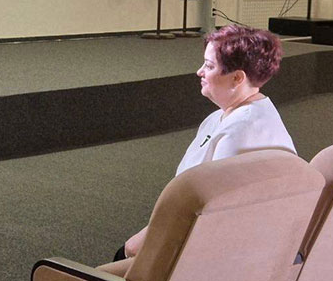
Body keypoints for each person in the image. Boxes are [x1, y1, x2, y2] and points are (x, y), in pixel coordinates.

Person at [120, 25, 296, 259]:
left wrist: (145, 242)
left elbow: (212, 217)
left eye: (209, 66)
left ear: (237, 78)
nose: (199, 72)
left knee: (120, 257)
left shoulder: (239, 132)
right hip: (225, 241)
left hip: (217, 254)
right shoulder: (243, 114)